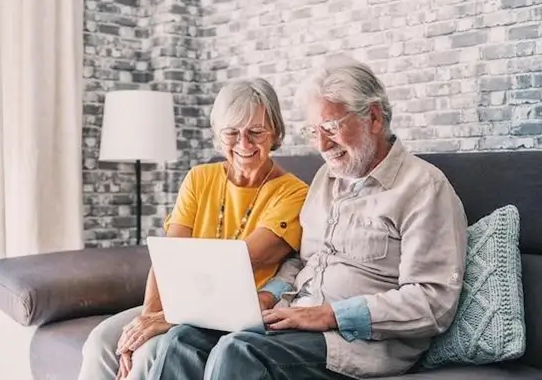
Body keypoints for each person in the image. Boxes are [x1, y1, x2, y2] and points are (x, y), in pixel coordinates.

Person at [144, 56, 469, 380]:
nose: (322, 145)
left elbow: (432, 303)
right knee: (182, 340)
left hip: (359, 342)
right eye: (314, 131)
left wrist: (330, 315)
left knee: (240, 351)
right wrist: (268, 296)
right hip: (298, 318)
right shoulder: (326, 181)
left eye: (330, 128)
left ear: (373, 117)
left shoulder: (424, 188)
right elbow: (304, 261)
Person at [77, 77, 309, 380]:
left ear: (276, 132)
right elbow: (168, 258)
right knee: (100, 341)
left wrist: (168, 319)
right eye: (231, 133)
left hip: (234, 313)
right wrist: (147, 319)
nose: (244, 144)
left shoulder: (294, 193)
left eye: (256, 131)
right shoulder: (199, 178)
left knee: (148, 352)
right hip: (179, 306)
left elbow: (240, 262)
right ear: (217, 134)